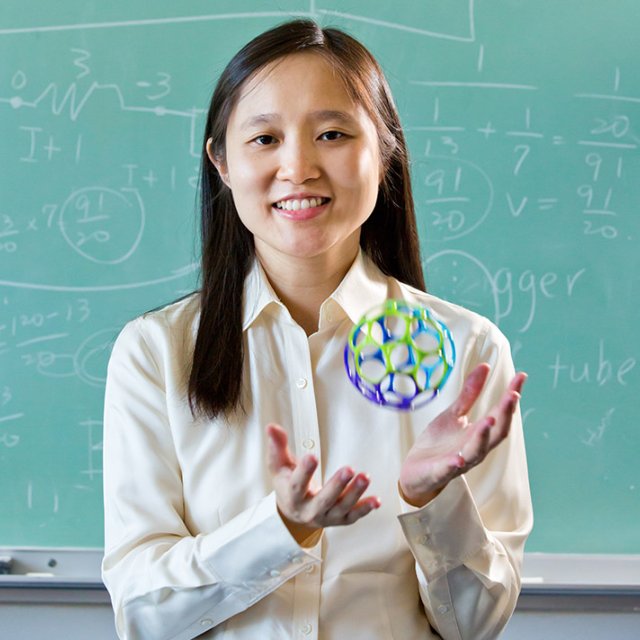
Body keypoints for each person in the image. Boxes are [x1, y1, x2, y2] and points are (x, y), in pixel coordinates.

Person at [102, 19, 533, 640]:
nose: (298, 166)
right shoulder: (157, 353)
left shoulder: (466, 351)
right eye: (265, 139)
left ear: (383, 154)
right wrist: (279, 528)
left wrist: (431, 501)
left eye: (332, 134)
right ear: (221, 163)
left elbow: (477, 625)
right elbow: (143, 614)